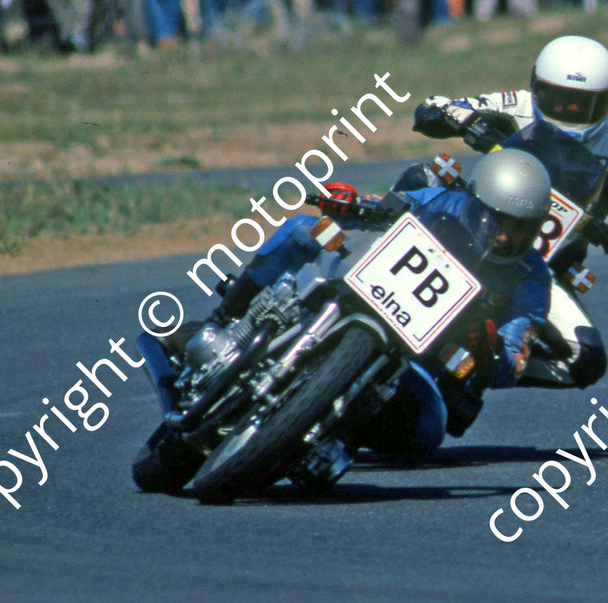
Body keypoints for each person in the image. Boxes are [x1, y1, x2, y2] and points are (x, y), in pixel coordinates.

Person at [211, 148, 553, 450]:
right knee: (304, 228)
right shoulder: (440, 200)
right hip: (370, 297)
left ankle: (332, 433)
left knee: (427, 433)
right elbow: (383, 204)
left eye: (522, 227)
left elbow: (512, 361)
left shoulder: (532, 278)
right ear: (474, 201)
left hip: (421, 364)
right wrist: (349, 203)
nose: (508, 236)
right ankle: (227, 316)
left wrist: (486, 347)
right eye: (498, 220)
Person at [411, 35, 608, 389]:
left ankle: (485, 367)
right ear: (537, 88)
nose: (571, 112)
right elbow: (431, 110)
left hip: (538, 267)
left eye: (584, 104)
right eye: (560, 100)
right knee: (422, 178)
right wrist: (456, 116)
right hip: (469, 228)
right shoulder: (516, 106)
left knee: (586, 359)